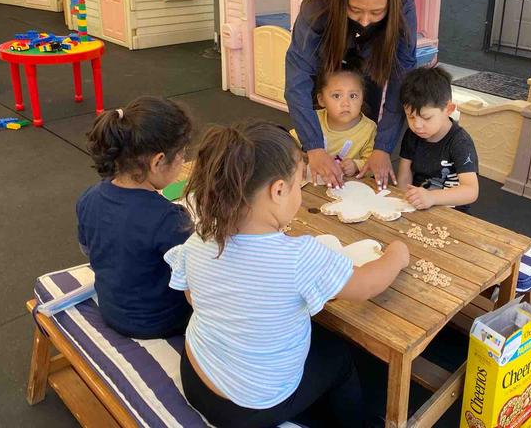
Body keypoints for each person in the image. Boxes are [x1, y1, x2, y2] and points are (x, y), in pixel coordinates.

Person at [165, 121, 409, 428]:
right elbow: (366, 286)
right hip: (250, 408)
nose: (299, 192)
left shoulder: (200, 238)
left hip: (197, 377)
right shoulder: (299, 257)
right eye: (299, 182)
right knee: (338, 357)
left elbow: (193, 296)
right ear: (278, 190)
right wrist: (397, 254)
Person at [285, 0, 417, 190]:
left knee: (364, 122)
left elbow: (401, 78)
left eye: (376, 13)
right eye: (355, 9)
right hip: (327, 55)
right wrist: (314, 148)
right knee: (319, 123)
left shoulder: (403, 1)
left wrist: (382, 148)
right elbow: (298, 73)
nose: (365, 21)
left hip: (371, 60)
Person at [77, 96, 193, 338]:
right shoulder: (168, 219)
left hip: (112, 309)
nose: (183, 160)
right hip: (160, 322)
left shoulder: (89, 196)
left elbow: (88, 249)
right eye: (182, 155)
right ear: (158, 161)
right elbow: (197, 278)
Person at [398, 67, 480, 212]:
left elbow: (471, 191)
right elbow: (404, 176)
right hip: (418, 207)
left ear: (449, 109)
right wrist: (404, 202)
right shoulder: (412, 135)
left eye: (426, 117)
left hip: (452, 212)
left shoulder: (460, 142)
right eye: (410, 117)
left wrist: (432, 197)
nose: (417, 125)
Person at [291, 64, 377, 179]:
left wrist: (356, 165)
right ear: (321, 100)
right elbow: (289, 143)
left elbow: (373, 164)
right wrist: (299, 156)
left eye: (353, 96)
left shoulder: (369, 129)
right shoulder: (314, 119)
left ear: (362, 98)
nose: (346, 103)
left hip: (347, 186)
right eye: (337, 96)